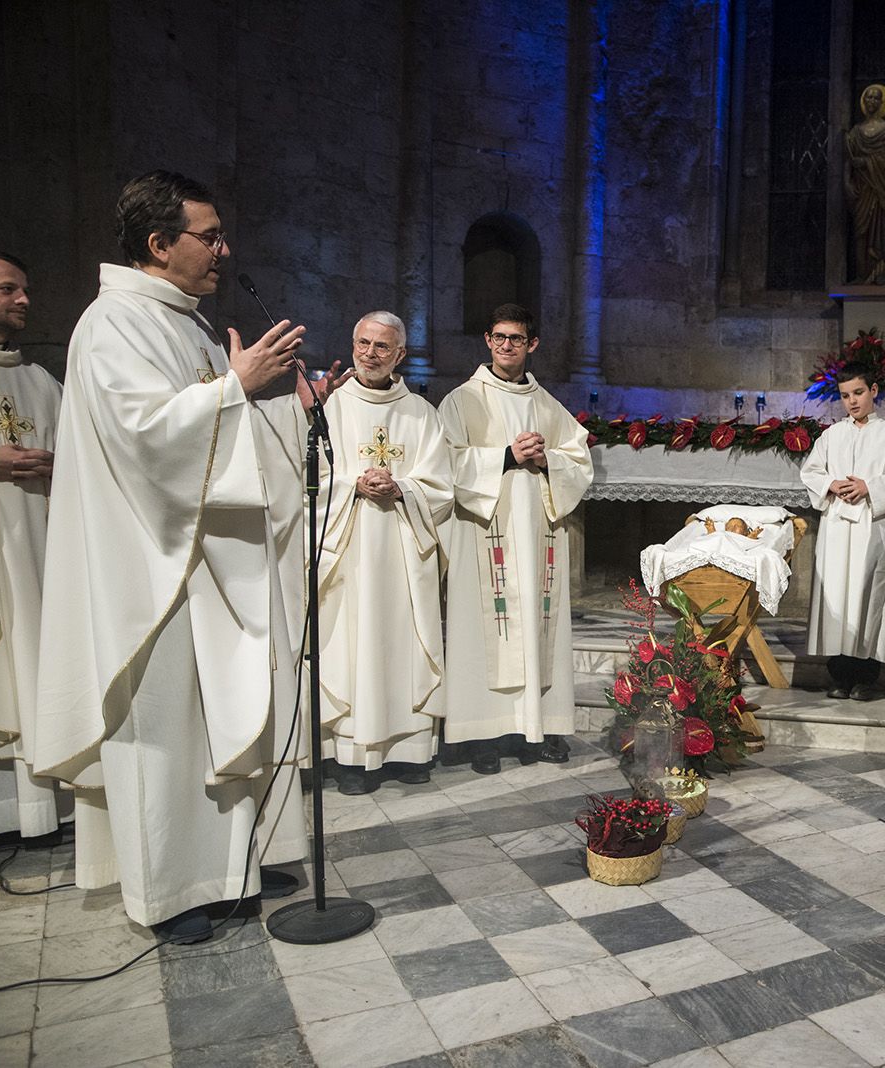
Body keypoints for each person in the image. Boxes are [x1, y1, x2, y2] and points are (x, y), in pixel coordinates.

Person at [30, 171, 344, 943]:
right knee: (166, 727)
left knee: (224, 713)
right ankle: (169, 889)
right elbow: (144, 439)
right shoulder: (113, 325)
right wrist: (235, 386)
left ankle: (230, 866)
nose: (224, 250)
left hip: (209, 560)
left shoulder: (191, 326)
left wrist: (276, 403)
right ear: (158, 243)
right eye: (210, 236)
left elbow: (217, 426)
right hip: (152, 566)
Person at [439, 303, 592, 772]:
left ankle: (537, 728)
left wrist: (550, 462)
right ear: (487, 340)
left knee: (536, 628)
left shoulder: (548, 406)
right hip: (485, 534)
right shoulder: (461, 400)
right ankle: (482, 735)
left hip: (538, 536)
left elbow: (579, 462)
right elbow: (444, 465)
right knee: (482, 631)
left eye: (517, 339)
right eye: (500, 337)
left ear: (532, 344)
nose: (508, 346)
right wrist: (505, 455)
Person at [316, 312, 453, 795]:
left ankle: (409, 750)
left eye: (381, 347)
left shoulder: (421, 413)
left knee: (404, 644)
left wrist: (402, 488)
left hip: (402, 553)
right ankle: (352, 758)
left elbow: (441, 486)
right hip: (348, 551)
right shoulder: (329, 409)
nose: (369, 353)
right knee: (351, 646)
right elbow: (306, 478)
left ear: (400, 355)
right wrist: (350, 485)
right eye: (362, 343)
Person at [0, 249, 67, 843]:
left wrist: (59, 466)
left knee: (37, 662)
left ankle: (44, 810)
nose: (24, 300)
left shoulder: (39, 381)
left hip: (40, 547)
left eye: (25, 289)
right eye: (8, 289)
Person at [802, 361, 885, 701]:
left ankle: (867, 677)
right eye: (845, 395)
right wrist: (830, 483)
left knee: (868, 596)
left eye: (858, 393)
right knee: (837, 597)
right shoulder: (832, 435)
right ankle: (839, 675)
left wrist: (870, 486)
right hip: (837, 528)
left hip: (872, 527)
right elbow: (811, 472)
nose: (852, 401)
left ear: (873, 391)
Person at [844, 83, 885, 285]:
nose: (871, 101)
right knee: (861, 231)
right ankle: (863, 274)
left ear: (882, 102)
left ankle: (882, 273)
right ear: (864, 101)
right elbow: (848, 160)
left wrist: (864, 161)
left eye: (876, 98)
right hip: (862, 188)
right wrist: (846, 181)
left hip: (882, 187)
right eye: (868, 98)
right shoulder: (855, 132)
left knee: (882, 228)